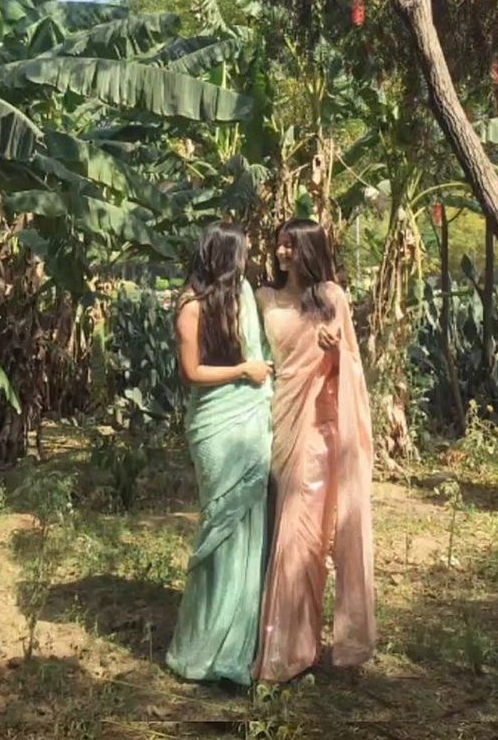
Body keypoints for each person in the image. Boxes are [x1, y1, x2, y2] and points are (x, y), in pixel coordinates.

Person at [254, 218, 375, 684]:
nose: (282, 252)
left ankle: (290, 652)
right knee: (284, 538)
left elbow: (353, 371)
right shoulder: (263, 297)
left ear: (309, 249)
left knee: (304, 541)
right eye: (279, 244)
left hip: (320, 432)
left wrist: (338, 350)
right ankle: (286, 646)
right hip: (275, 424)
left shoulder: (332, 299)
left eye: (290, 245)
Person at [166, 221, 273, 686]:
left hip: (250, 418)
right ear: (225, 257)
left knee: (250, 528)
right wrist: (242, 372)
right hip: (215, 423)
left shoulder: (245, 294)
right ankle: (203, 646)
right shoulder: (191, 306)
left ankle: (240, 642)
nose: (248, 259)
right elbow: (191, 372)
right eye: (243, 253)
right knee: (221, 526)